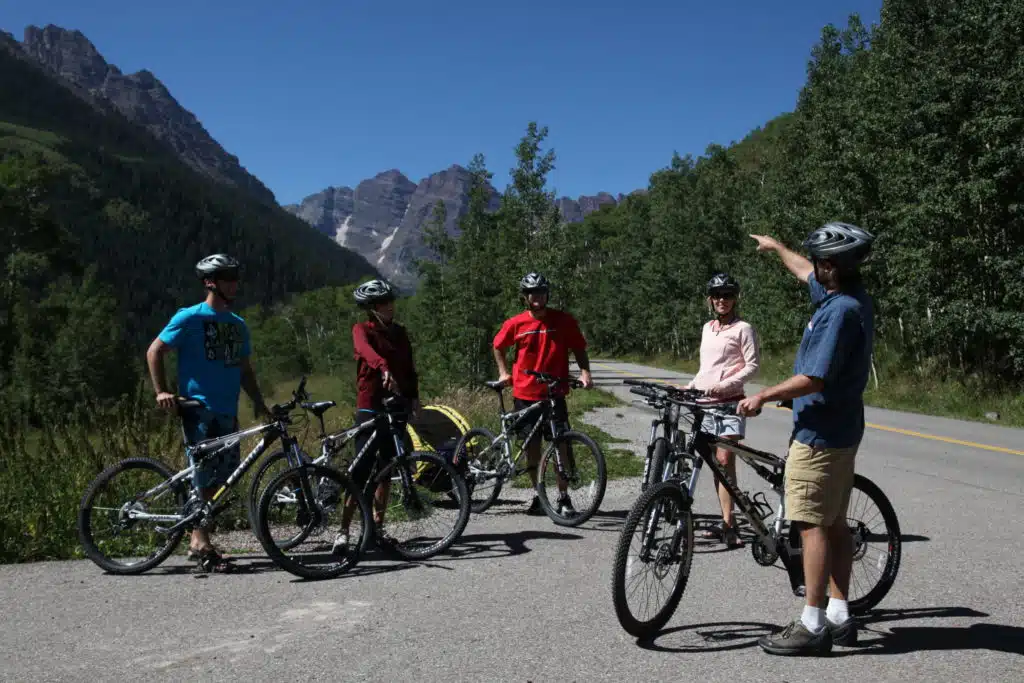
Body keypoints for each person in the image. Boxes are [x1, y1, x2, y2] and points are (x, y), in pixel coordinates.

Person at [737, 222, 876, 656]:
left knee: (810, 526)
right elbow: (802, 272)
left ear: (832, 266)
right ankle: (839, 615)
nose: (813, 266)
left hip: (819, 435)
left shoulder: (839, 313)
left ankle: (812, 624)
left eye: (819, 261)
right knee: (835, 524)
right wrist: (777, 246)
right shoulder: (849, 296)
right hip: (842, 428)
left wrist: (763, 394)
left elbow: (813, 377)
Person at [146, 253, 270, 573]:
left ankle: (197, 537)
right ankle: (201, 542)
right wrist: (161, 391)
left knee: (223, 478)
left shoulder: (237, 324)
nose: (234, 283)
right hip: (198, 409)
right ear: (210, 282)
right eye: (228, 277)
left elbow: (245, 370)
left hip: (227, 411)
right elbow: (155, 351)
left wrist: (258, 402)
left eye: (235, 276)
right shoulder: (189, 317)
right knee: (203, 475)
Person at [492, 272, 594, 516]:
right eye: (531, 293)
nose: (536, 297)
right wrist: (504, 373)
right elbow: (498, 345)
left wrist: (585, 373)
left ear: (547, 294)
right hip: (525, 393)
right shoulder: (516, 323)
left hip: (554, 392)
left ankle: (563, 497)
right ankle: (538, 495)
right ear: (525, 297)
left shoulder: (564, 320)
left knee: (561, 444)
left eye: (540, 292)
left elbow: (579, 347)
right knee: (533, 448)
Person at [333, 279, 421, 553]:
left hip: (397, 405)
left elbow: (408, 366)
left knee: (386, 469)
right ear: (371, 308)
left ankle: (378, 529)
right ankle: (344, 531)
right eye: (383, 303)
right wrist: (382, 367)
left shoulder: (401, 333)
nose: (390, 306)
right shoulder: (362, 329)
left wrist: (414, 395)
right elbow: (365, 351)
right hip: (370, 404)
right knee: (360, 469)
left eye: (390, 300)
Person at [683, 273, 760, 549]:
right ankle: (727, 521)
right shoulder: (707, 328)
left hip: (729, 404)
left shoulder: (743, 329)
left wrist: (724, 385)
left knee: (725, 461)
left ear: (735, 298)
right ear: (710, 299)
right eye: (716, 295)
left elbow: (752, 366)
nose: (721, 300)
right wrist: (691, 386)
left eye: (727, 295)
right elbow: (706, 369)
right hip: (705, 405)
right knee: (715, 466)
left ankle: (730, 525)